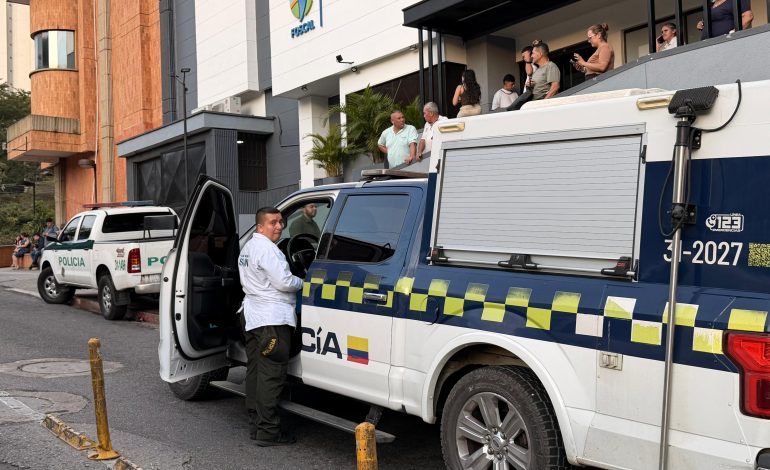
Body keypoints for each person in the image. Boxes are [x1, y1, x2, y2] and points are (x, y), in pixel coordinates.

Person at [238, 207, 304, 447]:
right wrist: (304, 282)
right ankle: (268, 432)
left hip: (254, 317)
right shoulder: (268, 251)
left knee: (255, 372)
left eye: (280, 222)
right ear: (259, 227)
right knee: (271, 376)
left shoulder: (248, 248)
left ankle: (256, 425)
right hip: (272, 321)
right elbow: (284, 282)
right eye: (273, 223)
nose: (279, 226)